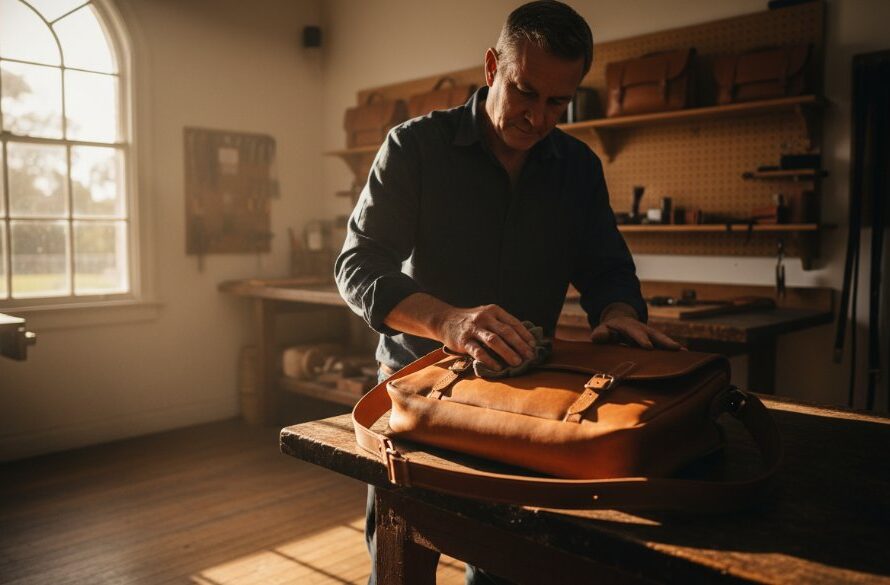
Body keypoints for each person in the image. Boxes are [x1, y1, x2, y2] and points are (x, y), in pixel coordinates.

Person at [335, 2, 681, 583]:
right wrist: (448, 322)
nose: (538, 117)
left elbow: (607, 268)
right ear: (493, 66)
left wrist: (619, 312)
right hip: (419, 398)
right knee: (400, 567)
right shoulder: (414, 147)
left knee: (507, 565)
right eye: (525, 92)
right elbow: (358, 264)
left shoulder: (578, 167)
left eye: (558, 103)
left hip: (525, 403)